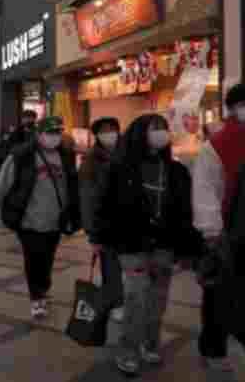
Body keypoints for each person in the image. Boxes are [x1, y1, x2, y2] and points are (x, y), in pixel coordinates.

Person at [97, 114, 201, 376]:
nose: (161, 133)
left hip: (164, 244)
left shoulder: (176, 170)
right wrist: (101, 238)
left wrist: (188, 246)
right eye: (155, 129)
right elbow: (106, 207)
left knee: (158, 298)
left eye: (164, 129)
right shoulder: (120, 168)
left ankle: (150, 342)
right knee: (135, 297)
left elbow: (185, 211)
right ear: (140, 133)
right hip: (132, 245)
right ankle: (128, 350)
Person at [0, 116, 80, 320]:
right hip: (28, 219)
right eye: (50, 133)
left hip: (56, 220)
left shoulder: (66, 155)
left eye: (58, 133)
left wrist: (75, 212)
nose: (54, 137)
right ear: (39, 134)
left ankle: (43, 287)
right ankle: (36, 297)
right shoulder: (22, 155)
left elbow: (72, 186)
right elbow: (3, 182)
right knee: (33, 258)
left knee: (47, 258)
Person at [194, 83, 245, 373]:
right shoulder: (218, 144)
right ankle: (213, 348)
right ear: (234, 108)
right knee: (218, 296)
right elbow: (205, 190)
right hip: (226, 235)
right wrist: (211, 231)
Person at [79, 117, 124, 323]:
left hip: (129, 220)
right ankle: (116, 303)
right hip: (105, 223)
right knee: (111, 265)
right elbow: (87, 197)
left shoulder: (129, 152)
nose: (110, 134)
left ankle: (124, 299)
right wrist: (91, 232)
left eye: (113, 129)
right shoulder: (91, 160)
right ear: (97, 135)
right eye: (104, 131)